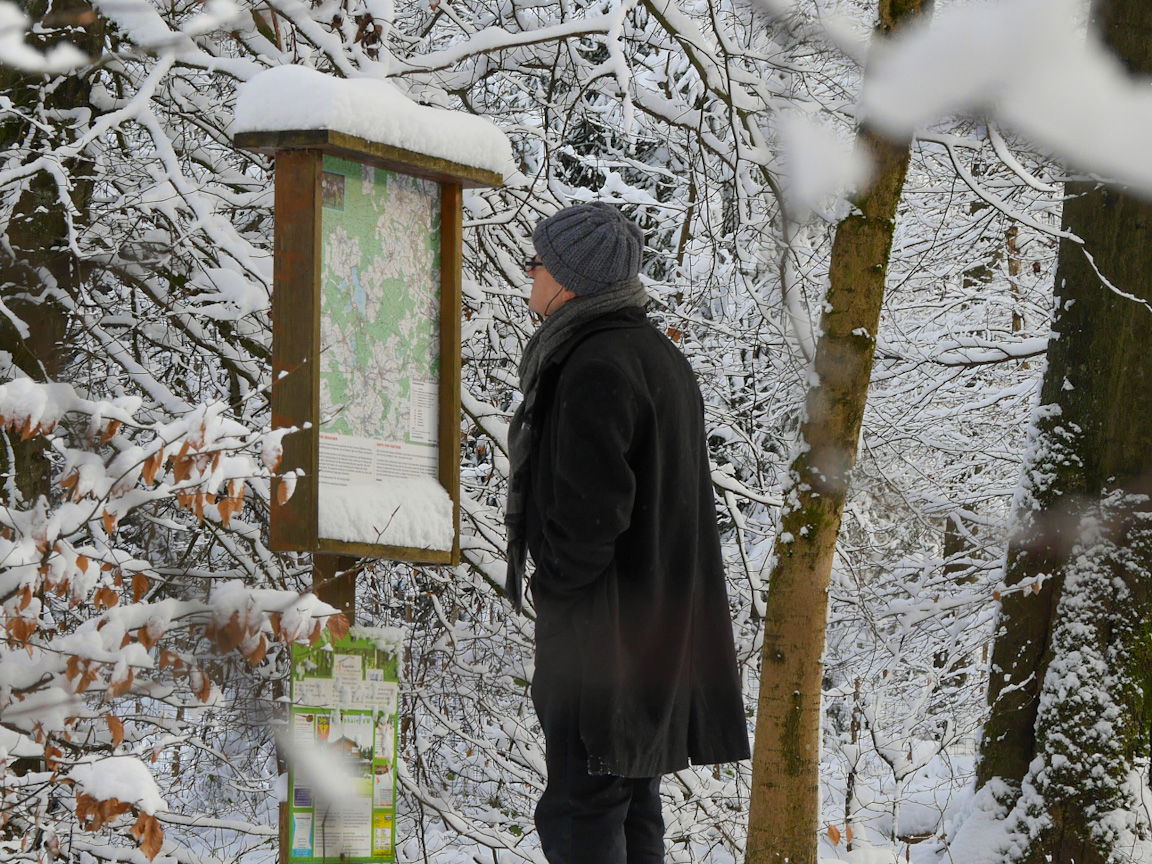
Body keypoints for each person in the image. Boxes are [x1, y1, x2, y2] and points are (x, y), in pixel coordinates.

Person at [504, 203, 750, 864]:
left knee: (581, 807)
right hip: (655, 628)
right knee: (630, 799)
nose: (528, 276)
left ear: (568, 278)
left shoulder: (595, 363)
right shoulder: (658, 357)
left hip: (600, 632)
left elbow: (593, 514)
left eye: (536, 264)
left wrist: (554, 589)